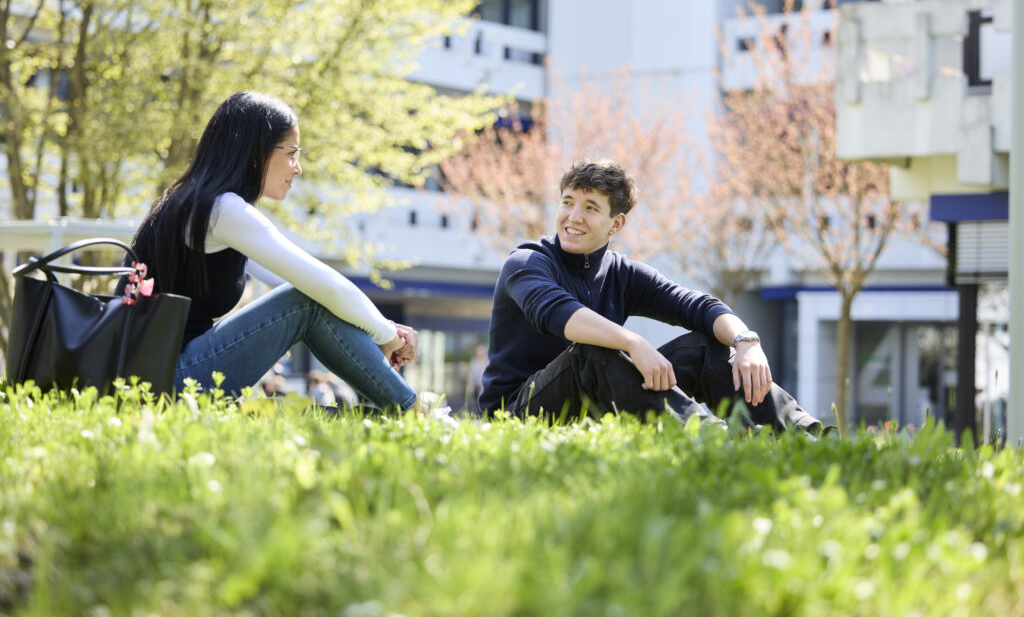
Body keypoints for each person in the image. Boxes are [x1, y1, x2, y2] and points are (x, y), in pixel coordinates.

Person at [126, 91, 425, 415]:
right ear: (255, 154)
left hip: (162, 377)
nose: (297, 168)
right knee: (305, 302)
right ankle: (414, 412)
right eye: (292, 153)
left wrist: (381, 328)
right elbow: (320, 287)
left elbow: (307, 281)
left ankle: (405, 415)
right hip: (168, 383)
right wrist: (386, 333)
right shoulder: (221, 210)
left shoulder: (195, 202)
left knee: (336, 417)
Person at [479, 159, 822, 433]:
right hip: (516, 412)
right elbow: (558, 313)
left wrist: (747, 341)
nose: (573, 216)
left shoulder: (622, 274)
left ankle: (805, 434)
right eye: (568, 202)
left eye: (591, 208)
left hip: (590, 406)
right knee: (593, 350)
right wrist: (632, 342)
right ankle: (708, 435)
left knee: (702, 349)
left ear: (617, 224)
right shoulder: (526, 262)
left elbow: (698, 306)